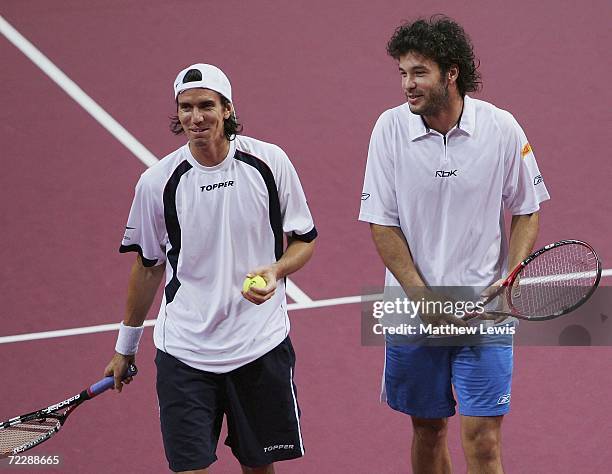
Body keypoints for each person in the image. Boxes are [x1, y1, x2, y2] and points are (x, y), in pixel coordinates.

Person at [104, 63, 317, 474]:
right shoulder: (157, 183)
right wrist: (125, 347)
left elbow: (304, 240)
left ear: (227, 109)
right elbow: (147, 267)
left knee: (260, 467)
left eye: (206, 105)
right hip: (185, 351)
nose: (195, 117)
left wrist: (276, 271)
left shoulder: (269, 163)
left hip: (258, 346)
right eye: (185, 107)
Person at [359, 16, 550, 474]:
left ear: (451, 73)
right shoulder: (389, 130)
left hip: (484, 308)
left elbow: (527, 207)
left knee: (483, 439)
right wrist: (421, 297)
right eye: (403, 73)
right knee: (427, 430)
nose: (407, 84)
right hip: (411, 306)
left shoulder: (502, 128)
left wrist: (511, 275)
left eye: (419, 73)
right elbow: (382, 225)